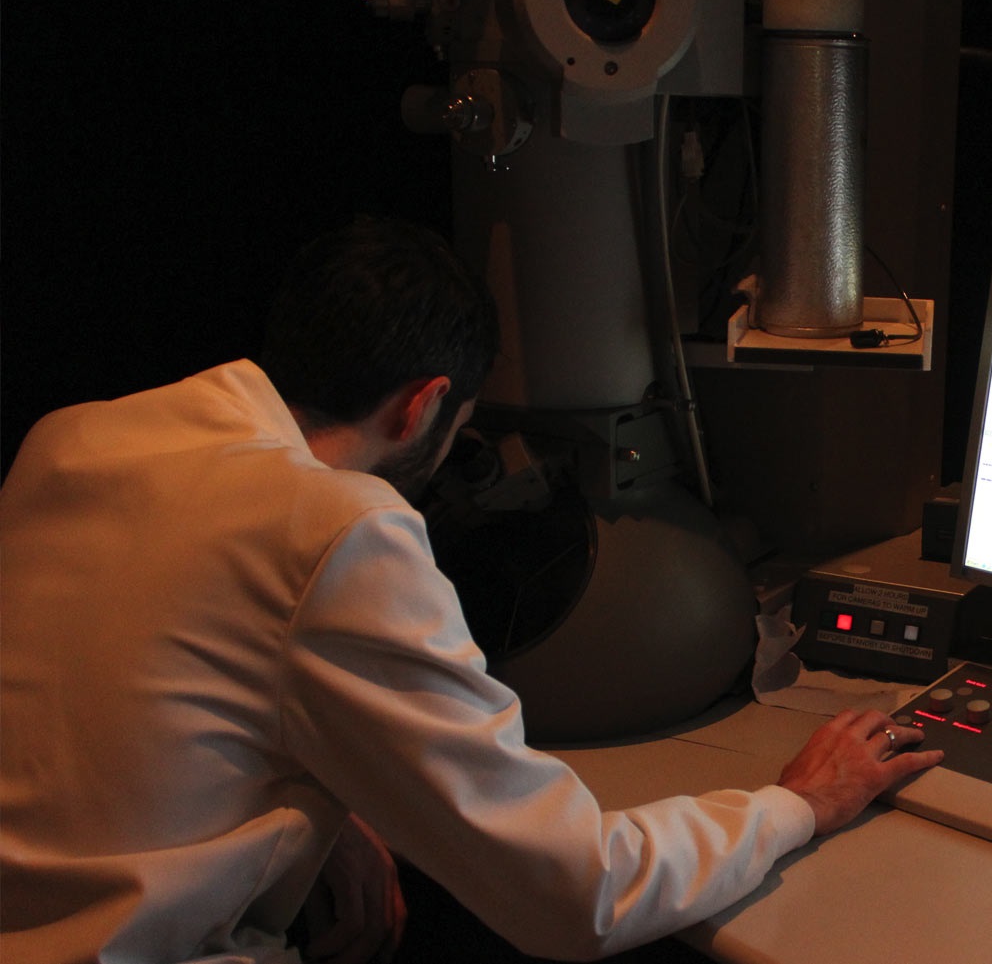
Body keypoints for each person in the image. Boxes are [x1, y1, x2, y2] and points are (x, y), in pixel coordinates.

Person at [0, 216, 943, 963]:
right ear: (422, 404)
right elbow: (575, 895)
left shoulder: (69, 441)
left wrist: (326, 807)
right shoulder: (341, 526)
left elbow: (142, 721)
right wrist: (797, 803)